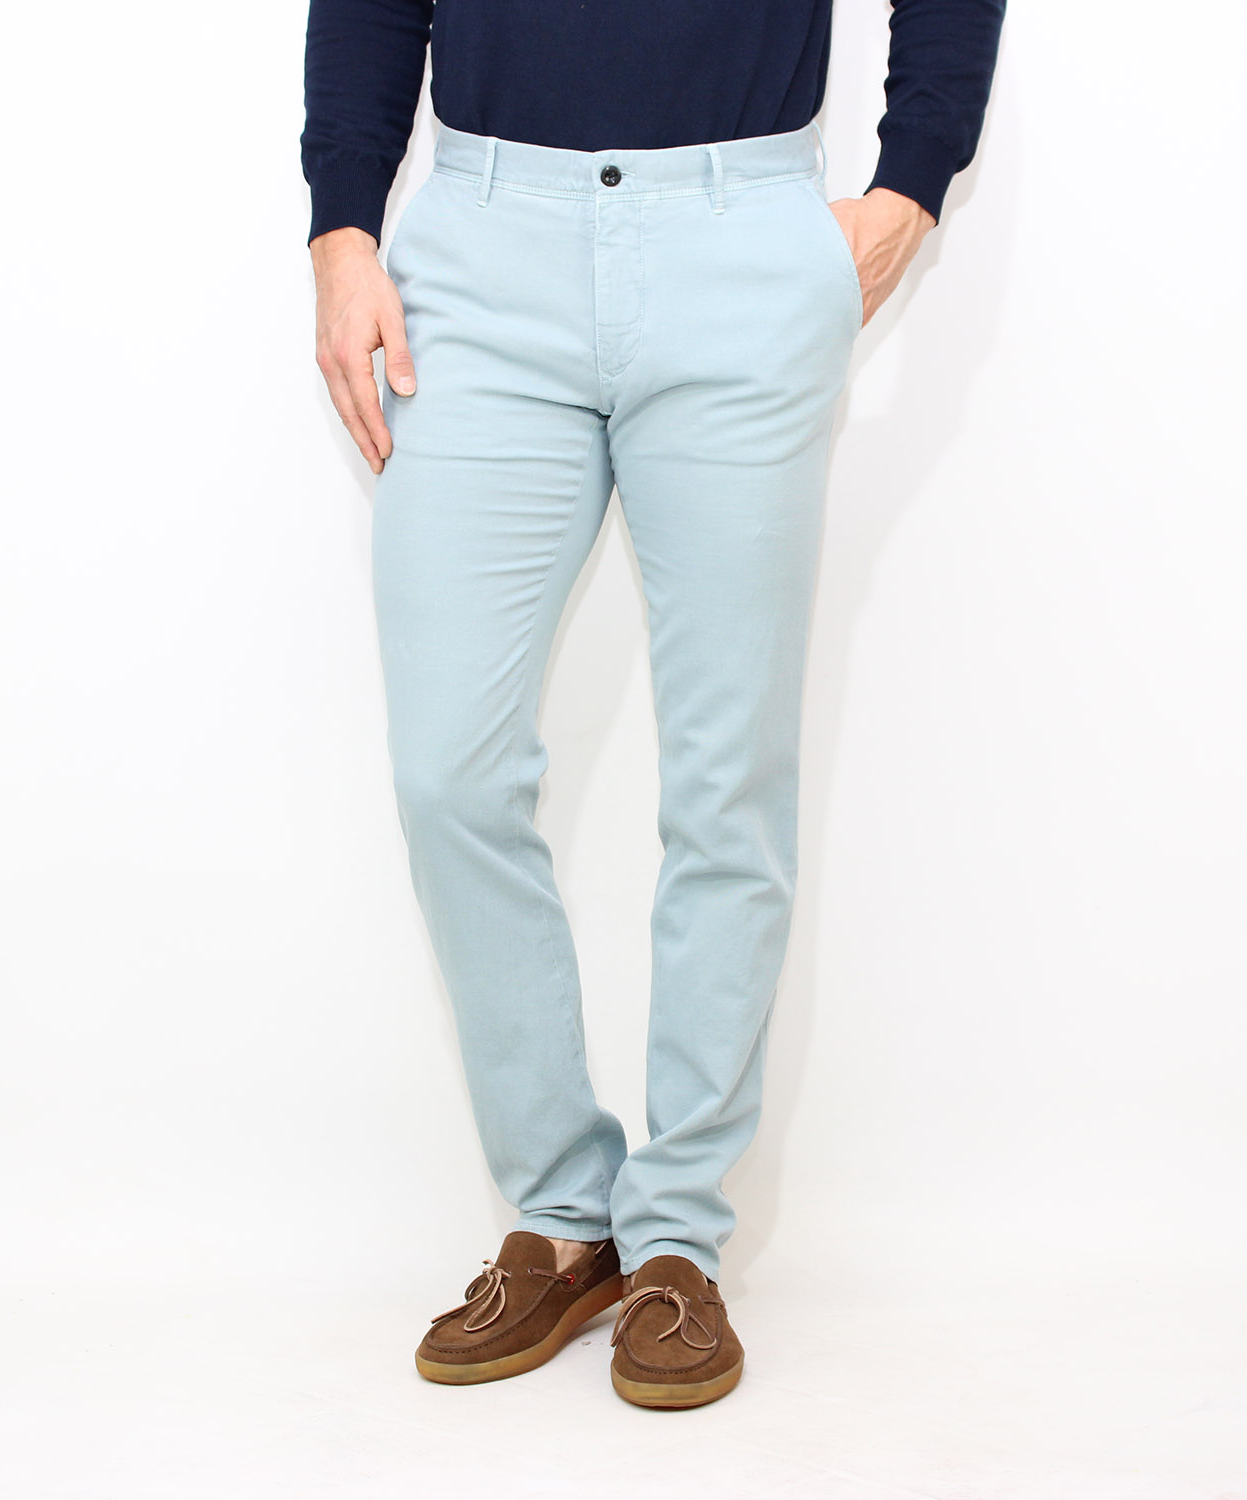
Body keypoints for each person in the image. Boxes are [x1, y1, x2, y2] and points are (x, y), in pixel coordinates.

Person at [301, 0, 1005, 1409]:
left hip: (740, 238)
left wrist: (912, 185)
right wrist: (342, 228)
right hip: (484, 251)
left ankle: (677, 1235)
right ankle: (565, 1216)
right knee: (448, 770)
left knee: (727, 777)